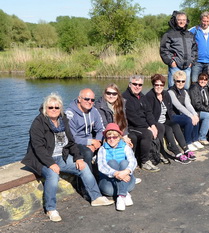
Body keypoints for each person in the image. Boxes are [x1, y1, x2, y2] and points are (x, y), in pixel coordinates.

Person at [22, 93, 114, 222]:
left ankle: (96, 197)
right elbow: (38, 148)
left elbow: (71, 141)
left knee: (84, 167)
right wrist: (50, 163)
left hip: (61, 157)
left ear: (61, 109)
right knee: (52, 175)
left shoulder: (63, 119)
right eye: (50, 107)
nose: (54, 110)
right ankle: (51, 209)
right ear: (45, 108)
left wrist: (78, 157)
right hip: (42, 159)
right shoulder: (38, 123)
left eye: (57, 107)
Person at [146, 74, 195, 164]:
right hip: (155, 121)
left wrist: (171, 119)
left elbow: (169, 109)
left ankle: (186, 149)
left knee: (175, 125)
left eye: (161, 85)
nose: (159, 87)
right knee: (168, 129)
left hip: (165, 119)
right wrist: (152, 125)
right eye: (157, 85)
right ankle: (177, 153)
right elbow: (149, 114)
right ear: (153, 85)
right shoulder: (150, 96)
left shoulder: (165, 94)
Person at [122, 75, 163, 172]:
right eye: (135, 84)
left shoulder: (142, 96)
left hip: (142, 124)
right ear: (130, 84)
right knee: (146, 133)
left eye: (140, 85)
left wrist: (152, 125)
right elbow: (133, 117)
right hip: (132, 126)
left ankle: (157, 153)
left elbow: (148, 112)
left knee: (160, 127)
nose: (137, 86)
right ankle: (145, 161)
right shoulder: (126, 97)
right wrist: (148, 127)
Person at [97, 123, 137, 211]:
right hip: (109, 185)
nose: (112, 139)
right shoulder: (102, 149)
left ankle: (121, 196)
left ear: (119, 137)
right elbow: (101, 165)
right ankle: (124, 193)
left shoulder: (125, 147)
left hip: (127, 181)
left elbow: (133, 161)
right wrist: (116, 173)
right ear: (106, 138)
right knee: (112, 163)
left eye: (114, 137)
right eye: (109, 137)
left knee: (124, 163)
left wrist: (126, 172)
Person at [65, 88, 104, 172]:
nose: (90, 102)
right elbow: (72, 137)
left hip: (91, 140)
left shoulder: (94, 111)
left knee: (108, 145)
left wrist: (96, 142)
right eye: (86, 99)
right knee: (87, 153)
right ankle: (89, 181)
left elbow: (100, 129)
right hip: (74, 143)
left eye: (92, 100)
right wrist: (90, 142)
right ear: (79, 99)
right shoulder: (70, 113)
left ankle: (106, 177)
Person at [160, 11, 197, 89]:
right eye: (179, 20)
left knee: (186, 89)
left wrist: (192, 62)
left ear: (186, 21)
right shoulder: (169, 34)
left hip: (187, 67)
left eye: (184, 20)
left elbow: (194, 50)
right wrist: (171, 62)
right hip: (175, 67)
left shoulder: (190, 35)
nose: (182, 22)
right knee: (172, 90)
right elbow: (163, 49)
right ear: (176, 21)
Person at [168, 70, 203, 151]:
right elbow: (178, 106)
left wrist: (194, 114)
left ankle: (195, 139)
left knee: (196, 116)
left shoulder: (185, 92)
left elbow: (188, 105)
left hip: (180, 114)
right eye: (178, 81)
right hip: (172, 115)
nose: (180, 83)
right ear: (174, 81)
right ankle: (188, 142)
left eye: (183, 81)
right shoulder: (170, 92)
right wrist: (191, 116)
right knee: (189, 119)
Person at [189, 73, 209, 145]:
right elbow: (196, 104)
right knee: (208, 116)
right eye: (201, 79)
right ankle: (202, 137)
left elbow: (208, 102)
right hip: (195, 111)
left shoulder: (204, 88)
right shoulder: (194, 88)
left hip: (202, 109)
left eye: (205, 79)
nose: (203, 81)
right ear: (198, 79)